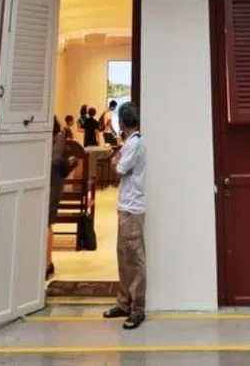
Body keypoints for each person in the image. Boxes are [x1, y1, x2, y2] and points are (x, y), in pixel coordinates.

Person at [103, 101, 146, 330]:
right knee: (123, 256)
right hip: (126, 207)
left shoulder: (135, 144)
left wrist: (115, 158)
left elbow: (118, 170)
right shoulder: (130, 143)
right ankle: (124, 302)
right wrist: (117, 157)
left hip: (132, 209)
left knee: (134, 259)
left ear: (121, 122)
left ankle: (137, 308)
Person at [46, 117, 71, 279]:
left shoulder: (59, 137)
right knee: (45, 223)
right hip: (49, 182)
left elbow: (54, 160)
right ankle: (46, 261)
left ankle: (47, 262)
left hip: (53, 183)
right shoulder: (56, 137)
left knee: (46, 222)